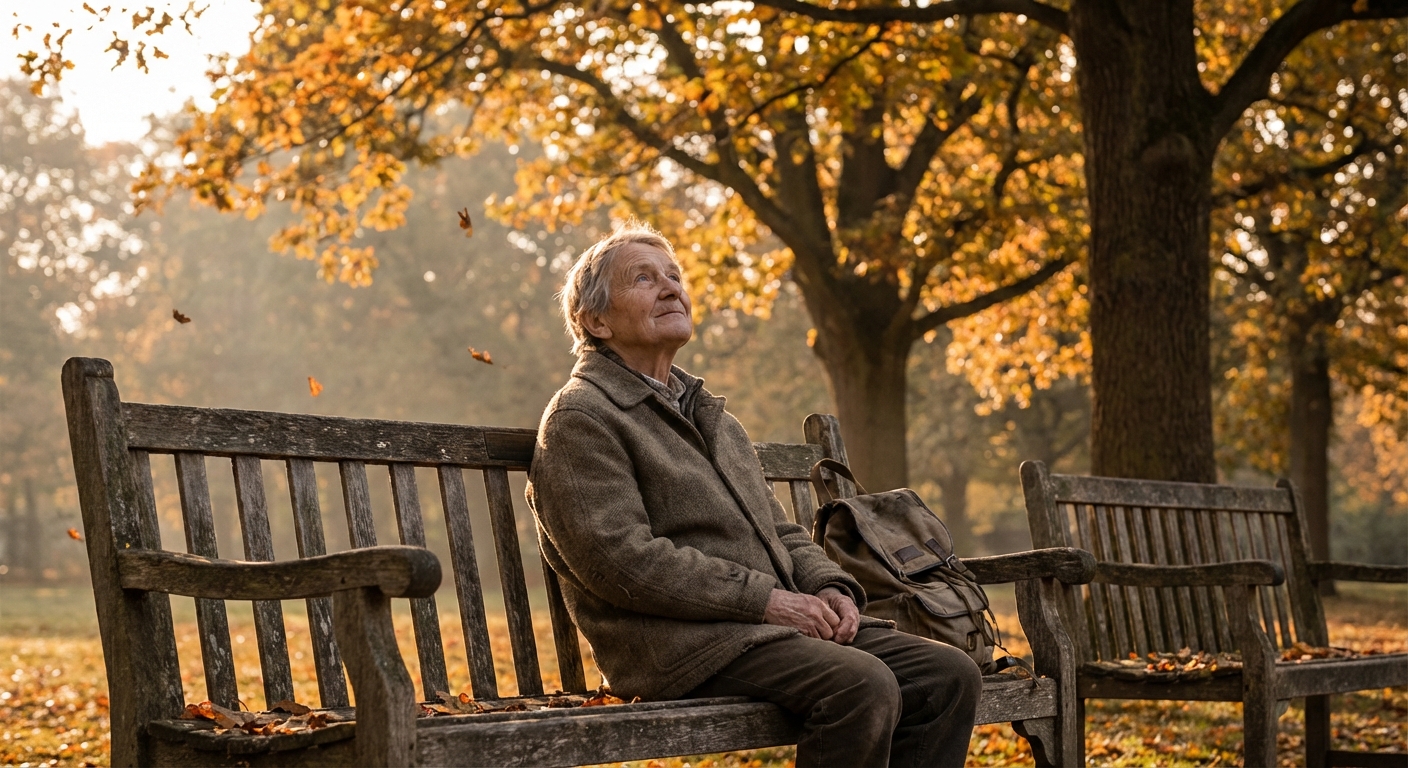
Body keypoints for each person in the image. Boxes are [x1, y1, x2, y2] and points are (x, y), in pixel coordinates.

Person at [526, 223, 982, 767]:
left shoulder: (711, 416)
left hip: (762, 630)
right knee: (860, 684)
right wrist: (767, 601)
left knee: (947, 675)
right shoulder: (583, 417)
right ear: (595, 321)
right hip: (679, 648)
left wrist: (829, 585)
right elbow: (620, 561)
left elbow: (781, 530)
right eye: (644, 279)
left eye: (674, 276)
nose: (671, 288)